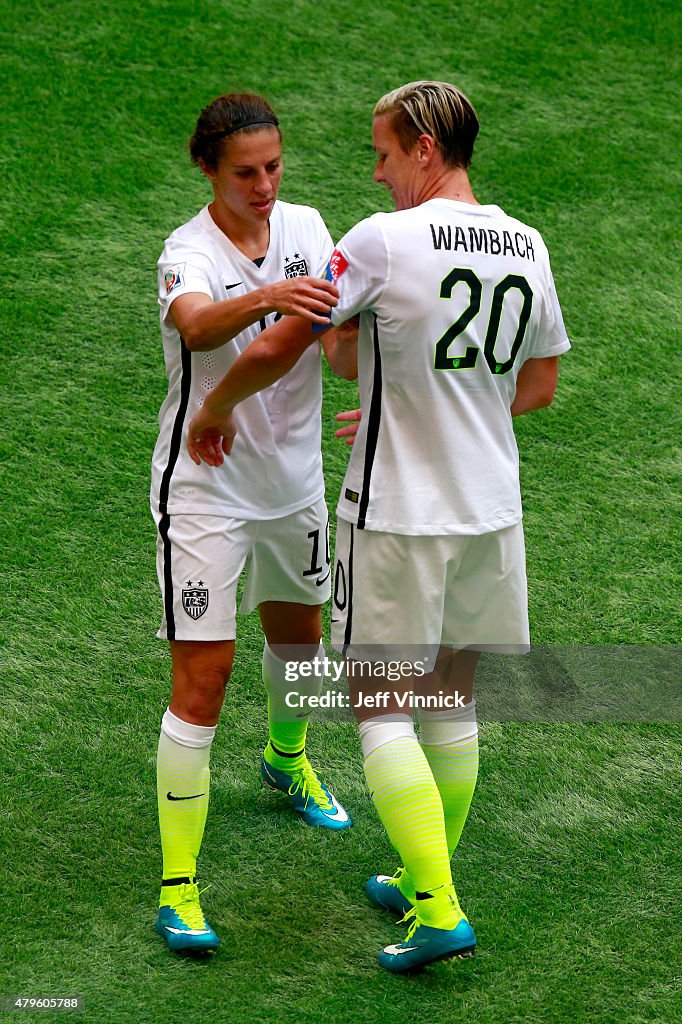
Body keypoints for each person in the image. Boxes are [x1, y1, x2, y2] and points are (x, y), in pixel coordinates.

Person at [186, 80, 570, 971]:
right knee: (451, 701)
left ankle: (437, 909)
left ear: (426, 151)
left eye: (386, 153)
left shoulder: (383, 239)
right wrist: (437, 408)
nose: (378, 170)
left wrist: (217, 409)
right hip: (493, 516)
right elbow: (538, 385)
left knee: (381, 706)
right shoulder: (528, 243)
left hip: (397, 514)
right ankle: (418, 873)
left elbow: (286, 338)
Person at [150, 93, 357, 955]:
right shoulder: (186, 253)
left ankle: (284, 761)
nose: (266, 185)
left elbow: (344, 336)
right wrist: (273, 292)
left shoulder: (310, 223)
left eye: (274, 166)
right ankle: (178, 886)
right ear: (208, 169)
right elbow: (196, 327)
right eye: (246, 172)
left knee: (299, 647)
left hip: (294, 483)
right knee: (205, 680)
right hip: (204, 489)